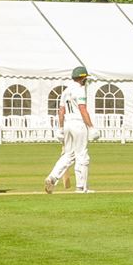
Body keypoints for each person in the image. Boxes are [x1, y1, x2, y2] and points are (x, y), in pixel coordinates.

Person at [44, 66, 99, 194]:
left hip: (68, 123)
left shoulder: (66, 91)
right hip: (78, 124)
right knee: (82, 155)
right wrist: (91, 127)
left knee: (68, 155)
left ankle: (52, 177)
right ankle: (81, 187)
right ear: (82, 78)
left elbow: (61, 111)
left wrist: (61, 129)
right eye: (85, 78)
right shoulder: (80, 90)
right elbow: (82, 109)